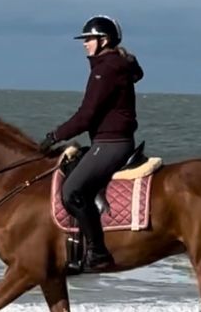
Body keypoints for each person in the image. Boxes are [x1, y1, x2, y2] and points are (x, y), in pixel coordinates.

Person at [39, 15, 144, 272]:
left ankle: (98, 253)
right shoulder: (111, 65)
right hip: (110, 140)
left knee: (71, 191)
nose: (85, 44)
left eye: (88, 39)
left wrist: (54, 136)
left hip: (112, 143)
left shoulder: (105, 70)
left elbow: (86, 116)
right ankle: (76, 246)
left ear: (103, 40)